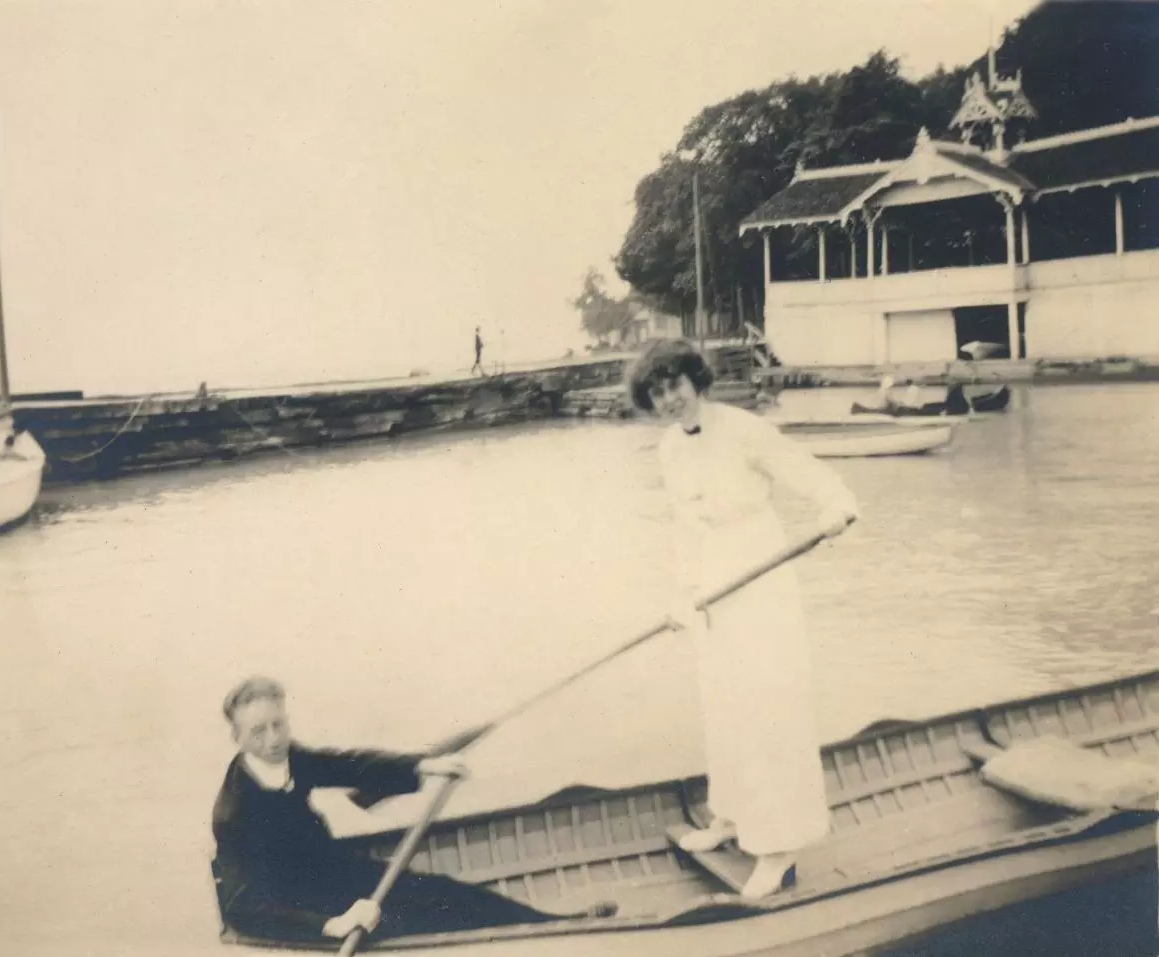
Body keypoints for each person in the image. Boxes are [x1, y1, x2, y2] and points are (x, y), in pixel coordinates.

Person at [627, 339, 858, 901]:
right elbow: (684, 527)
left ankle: (778, 849)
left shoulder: (742, 428)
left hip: (760, 575)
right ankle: (729, 817)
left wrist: (836, 507)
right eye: (657, 393)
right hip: (713, 587)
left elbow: (806, 473)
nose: (669, 400)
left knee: (768, 709)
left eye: (675, 385)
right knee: (723, 705)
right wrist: (684, 592)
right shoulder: (668, 447)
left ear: (695, 382)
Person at [212, 678, 613, 943]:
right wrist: (331, 925)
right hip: (301, 908)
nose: (274, 739)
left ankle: (560, 925)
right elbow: (242, 909)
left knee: (443, 893)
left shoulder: (289, 756)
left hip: (339, 873)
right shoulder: (233, 813)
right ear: (237, 738)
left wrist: (422, 766)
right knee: (415, 926)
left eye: (279, 724)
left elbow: (349, 763)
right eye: (258, 731)